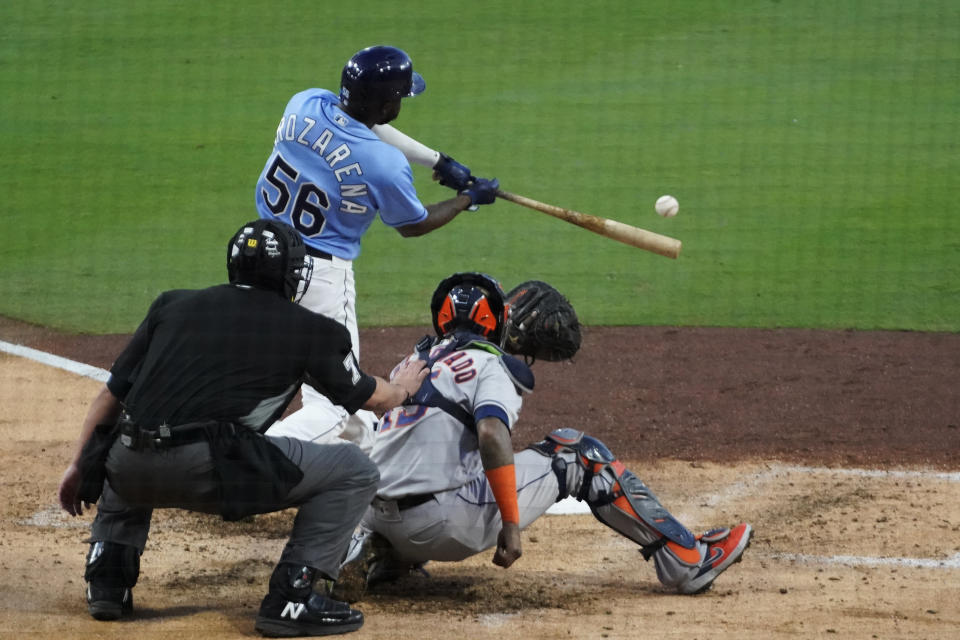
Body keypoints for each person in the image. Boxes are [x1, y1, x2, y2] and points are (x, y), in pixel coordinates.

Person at [57, 219, 428, 637]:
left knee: (135, 431)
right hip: (215, 472)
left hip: (128, 469)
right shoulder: (310, 328)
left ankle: (107, 580)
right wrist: (402, 388)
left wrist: (78, 466)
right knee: (353, 469)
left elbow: (111, 397)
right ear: (292, 273)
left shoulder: (171, 305)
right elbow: (367, 397)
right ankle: (293, 595)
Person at [330, 273, 753, 602]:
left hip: (373, 514)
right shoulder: (487, 365)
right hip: (443, 526)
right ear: (494, 321)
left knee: (444, 453)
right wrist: (511, 524)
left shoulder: (414, 361)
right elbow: (492, 432)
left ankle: (378, 554)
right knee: (578, 453)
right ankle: (686, 561)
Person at [255, 45, 499, 452]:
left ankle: (358, 448)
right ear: (387, 102)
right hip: (318, 280)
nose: (401, 102)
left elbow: (358, 125)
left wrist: (437, 162)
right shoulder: (383, 164)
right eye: (399, 97)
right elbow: (413, 224)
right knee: (335, 405)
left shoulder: (305, 103)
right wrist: (466, 199)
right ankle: (250, 458)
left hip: (259, 258)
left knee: (268, 372)